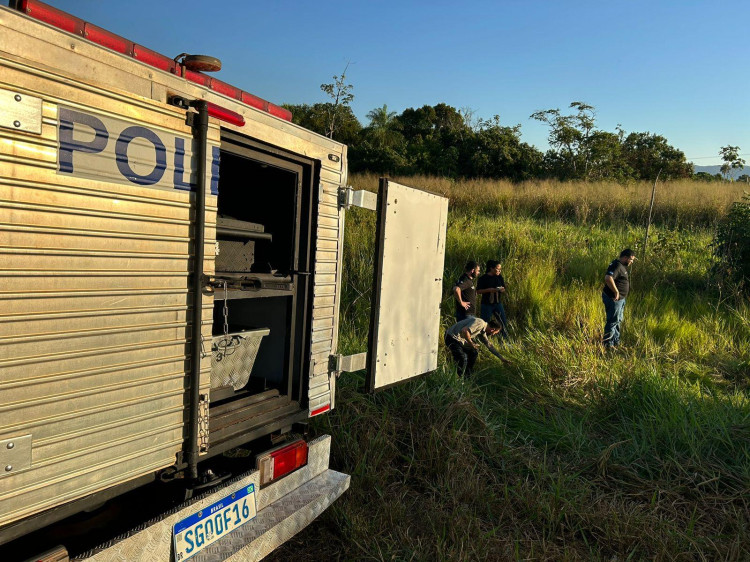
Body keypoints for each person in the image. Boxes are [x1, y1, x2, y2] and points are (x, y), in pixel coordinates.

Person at [444, 314, 508, 376]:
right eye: (495, 333)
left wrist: (501, 358)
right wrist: (471, 343)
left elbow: (489, 345)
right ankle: (459, 376)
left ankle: (467, 374)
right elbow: (465, 331)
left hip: (460, 339)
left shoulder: (482, 331)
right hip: (451, 337)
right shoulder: (480, 323)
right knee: (461, 357)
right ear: (493, 329)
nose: (493, 334)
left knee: (473, 352)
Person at [602, 248, 636, 348]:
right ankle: (608, 345)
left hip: (620, 299)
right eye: (631, 259)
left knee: (618, 320)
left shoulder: (620, 265)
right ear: (625, 258)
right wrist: (616, 291)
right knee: (612, 321)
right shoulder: (617, 265)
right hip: (614, 299)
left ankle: (616, 341)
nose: (632, 262)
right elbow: (608, 278)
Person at [476, 260, 508, 334]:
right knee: (484, 323)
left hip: (497, 303)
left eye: (500, 269)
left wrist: (502, 289)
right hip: (486, 304)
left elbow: (504, 288)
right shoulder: (483, 278)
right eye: (497, 269)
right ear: (491, 268)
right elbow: (478, 291)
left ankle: (504, 339)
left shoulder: (499, 277)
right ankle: (483, 338)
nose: (499, 271)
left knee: (502, 322)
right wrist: (490, 290)